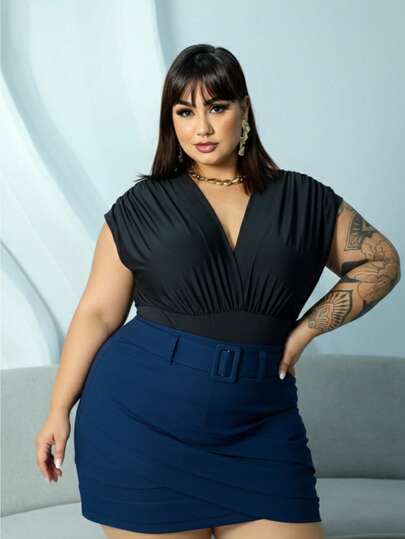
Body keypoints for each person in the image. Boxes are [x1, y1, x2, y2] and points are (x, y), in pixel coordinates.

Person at [35, 44, 401, 539]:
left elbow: (382, 262)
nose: (202, 128)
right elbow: (98, 314)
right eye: (185, 112)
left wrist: (304, 332)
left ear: (244, 109)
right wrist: (58, 409)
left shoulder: (303, 198)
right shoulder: (142, 205)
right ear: (171, 120)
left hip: (260, 428)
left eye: (217, 107)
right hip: (139, 428)